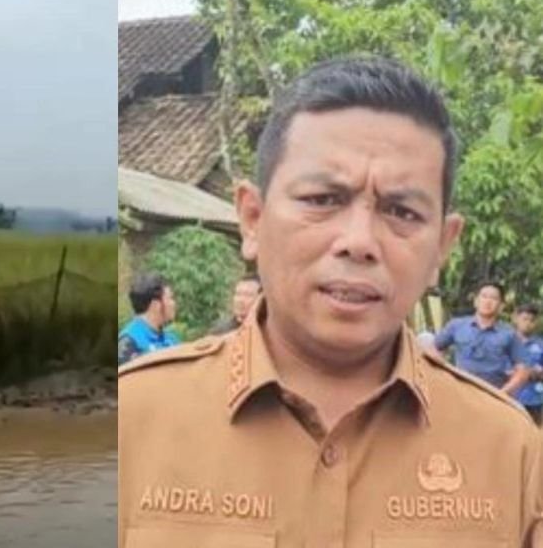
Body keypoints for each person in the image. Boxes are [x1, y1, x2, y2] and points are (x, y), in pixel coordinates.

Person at [118, 57, 542, 547]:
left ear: (441, 248)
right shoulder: (131, 423)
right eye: (322, 199)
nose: (359, 241)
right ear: (252, 219)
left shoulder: (509, 452)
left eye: (401, 211)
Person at [433, 282, 529, 394]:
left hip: (492, 396)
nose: (487, 301)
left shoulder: (509, 334)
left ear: (501, 306)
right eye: (484, 296)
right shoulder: (456, 325)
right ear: (476, 301)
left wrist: (503, 393)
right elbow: (433, 348)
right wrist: (442, 373)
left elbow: (523, 371)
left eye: (493, 298)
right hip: (459, 393)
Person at [118, 272, 179, 365]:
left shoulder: (172, 340)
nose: (173, 303)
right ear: (156, 305)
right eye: (170, 298)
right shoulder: (128, 342)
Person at [514, 304, 543, 424]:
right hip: (510, 397)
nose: (528, 323)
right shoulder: (506, 341)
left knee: (533, 435)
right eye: (524, 319)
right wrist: (531, 372)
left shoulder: (541, 344)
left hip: (535, 399)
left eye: (532, 320)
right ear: (516, 318)